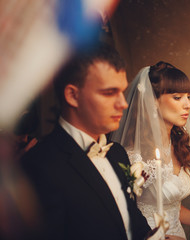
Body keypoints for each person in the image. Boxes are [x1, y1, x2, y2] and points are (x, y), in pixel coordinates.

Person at [20, 43, 151, 240]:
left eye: (122, 92)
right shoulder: (38, 167)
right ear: (73, 95)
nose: (123, 104)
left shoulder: (116, 153)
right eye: (109, 93)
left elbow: (130, 221)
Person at [110, 61, 190, 239]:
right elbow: (125, 213)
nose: (187, 105)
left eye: (188, 97)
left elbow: (169, 206)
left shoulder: (180, 144)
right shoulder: (131, 155)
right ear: (153, 101)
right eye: (177, 97)